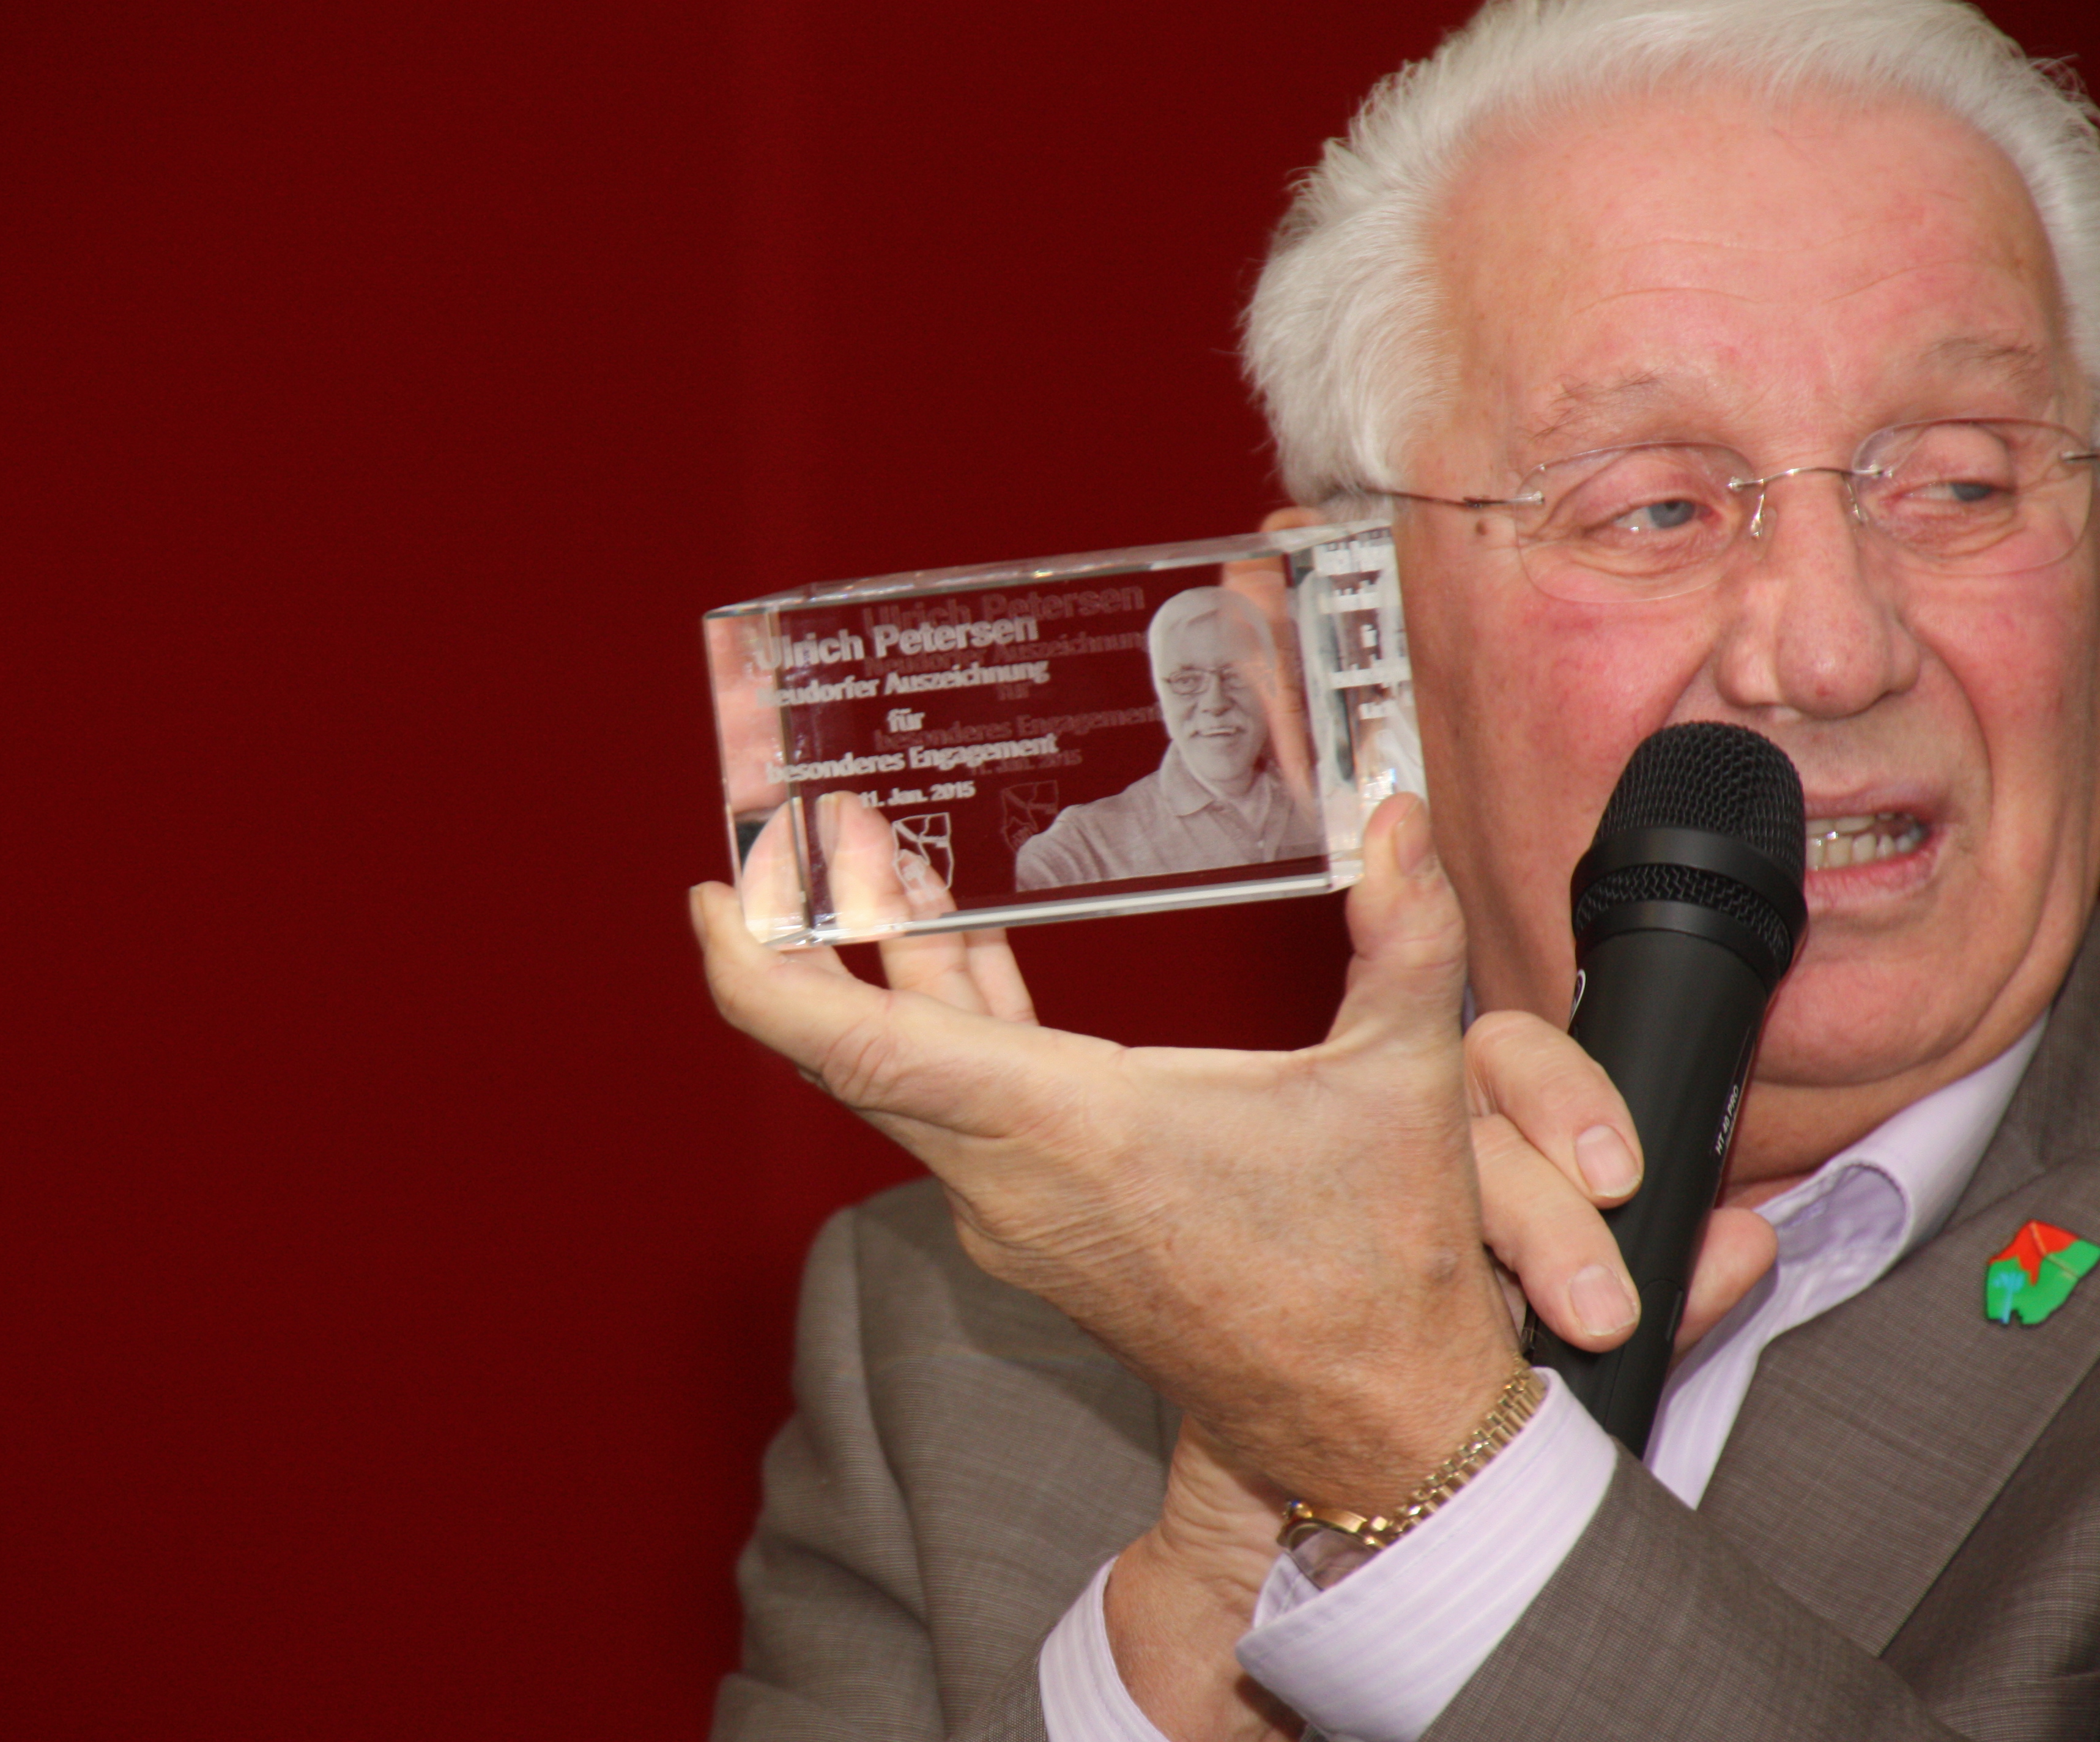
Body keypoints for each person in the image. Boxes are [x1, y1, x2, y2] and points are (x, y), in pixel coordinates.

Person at [691, 1, 2100, 1736]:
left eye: (1958, 483)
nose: (1830, 648)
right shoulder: (966, 1351)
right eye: (1655, 508)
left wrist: (1413, 1457)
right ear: (1324, 670)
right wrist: (1203, 1608)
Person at [1014, 587, 1319, 889]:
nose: (1215, 703)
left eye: (1237, 674)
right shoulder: (1085, 844)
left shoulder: (1328, 801)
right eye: (1187, 680)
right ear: (1162, 697)